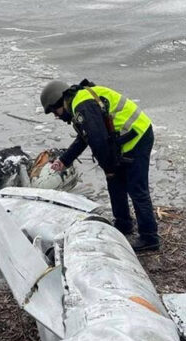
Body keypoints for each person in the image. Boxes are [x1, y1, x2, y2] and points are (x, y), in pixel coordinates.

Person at [40, 79, 160, 252]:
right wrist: (65, 160)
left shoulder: (83, 106)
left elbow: (99, 142)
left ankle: (149, 237)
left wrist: (109, 167)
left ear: (59, 101)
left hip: (138, 136)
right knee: (115, 183)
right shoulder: (78, 102)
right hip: (125, 139)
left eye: (54, 111)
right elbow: (85, 137)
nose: (56, 116)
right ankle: (123, 224)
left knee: (136, 188)